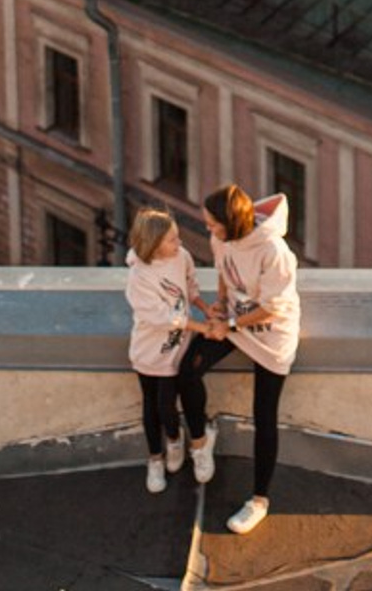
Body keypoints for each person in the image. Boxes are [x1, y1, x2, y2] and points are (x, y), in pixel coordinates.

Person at [176, 184, 301, 537]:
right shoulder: (223, 238)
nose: (208, 228)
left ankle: (259, 501)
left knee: (264, 415)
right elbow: (223, 268)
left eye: (213, 223)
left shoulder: (274, 251)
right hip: (235, 319)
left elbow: (273, 307)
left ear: (231, 223)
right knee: (187, 371)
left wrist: (229, 325)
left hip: (271, 332)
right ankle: (201, 438)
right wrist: (220, 304)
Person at [123, 207, 210, 494]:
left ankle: (175, 438)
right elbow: (161, 317)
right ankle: (156, 457)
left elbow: (190, 286)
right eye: (172, 239)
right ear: (154, 243)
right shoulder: (139, 276)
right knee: (151, 406)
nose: (179, 243)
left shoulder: (181, 257)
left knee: (167, 405)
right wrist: (201, 327)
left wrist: (205, 308)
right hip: (149, 350)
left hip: (176, 350)